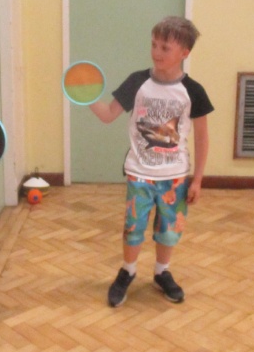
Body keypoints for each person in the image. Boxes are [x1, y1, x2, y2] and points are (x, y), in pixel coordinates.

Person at [89, 16, 214, 307]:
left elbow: (202, 137)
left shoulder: (193, 91)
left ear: (184, 52)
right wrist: (86, 97)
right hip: (139, 173)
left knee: (169, 231)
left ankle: (161, 272)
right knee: (133, 228)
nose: (156, 52)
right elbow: (107, 115)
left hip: (175, 176)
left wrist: (197, 179)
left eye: (165, 47)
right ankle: (128, 271)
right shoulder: (137, 82)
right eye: (154, 44)